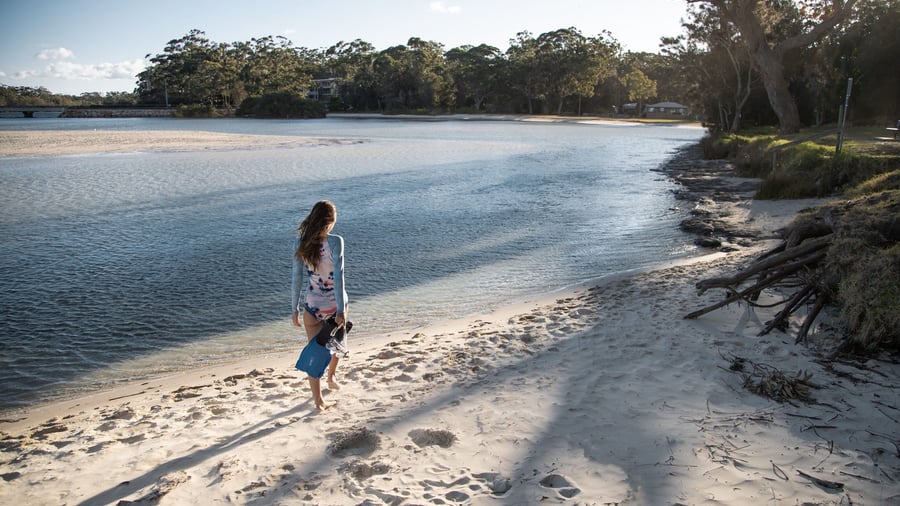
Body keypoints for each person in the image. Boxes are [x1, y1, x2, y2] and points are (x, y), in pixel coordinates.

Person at [291, 200, 348, 412]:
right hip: (334, 306)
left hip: (312, 307)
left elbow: (296, 278)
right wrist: (341, 310)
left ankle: (319, 401)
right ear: (330, 221)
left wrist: (294, 309)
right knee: (338, 343)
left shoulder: (301, 243)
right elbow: (339, 278)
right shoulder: (335, 242)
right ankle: (331, 376)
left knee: (315, 352)